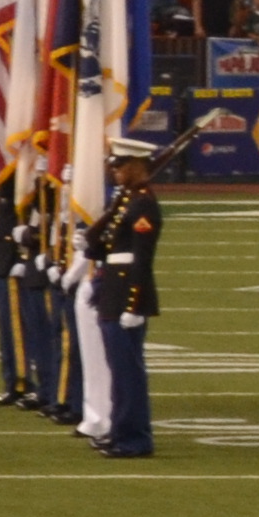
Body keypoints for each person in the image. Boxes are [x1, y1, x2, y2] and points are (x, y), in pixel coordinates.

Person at [84, 139, 165, 460]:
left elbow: (142, 259)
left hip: (125, 296)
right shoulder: (127, 200)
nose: (115, 171)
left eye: (120, 165)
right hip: (112, 293)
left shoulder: (143, 204)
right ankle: (120, 431)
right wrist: (89, 242)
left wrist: (134, 305)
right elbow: (108, 246)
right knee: (119, 372)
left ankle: (135, 439)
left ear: (136, 166)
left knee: (128, 373)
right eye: (114, 165)